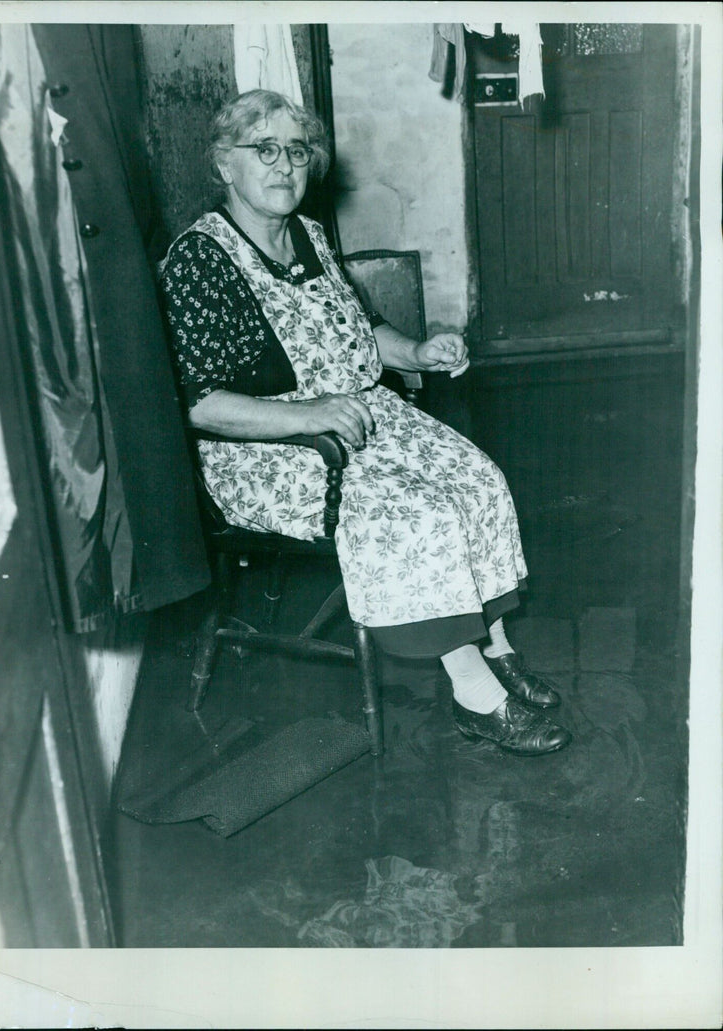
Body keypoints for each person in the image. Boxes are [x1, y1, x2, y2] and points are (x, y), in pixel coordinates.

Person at [159, 90, 571, 757]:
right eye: (263, 149)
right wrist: (310, 413)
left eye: (297, 149)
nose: (285, 164)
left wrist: (420, 350)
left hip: (356, 414)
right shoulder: (201, 261)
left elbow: (361, 333)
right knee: (419, 514)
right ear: (223, 164)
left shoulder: (308, 234)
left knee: (478, 476)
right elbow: (198, 403)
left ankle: (495, 646)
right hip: (268, 448)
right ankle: (475, 695)